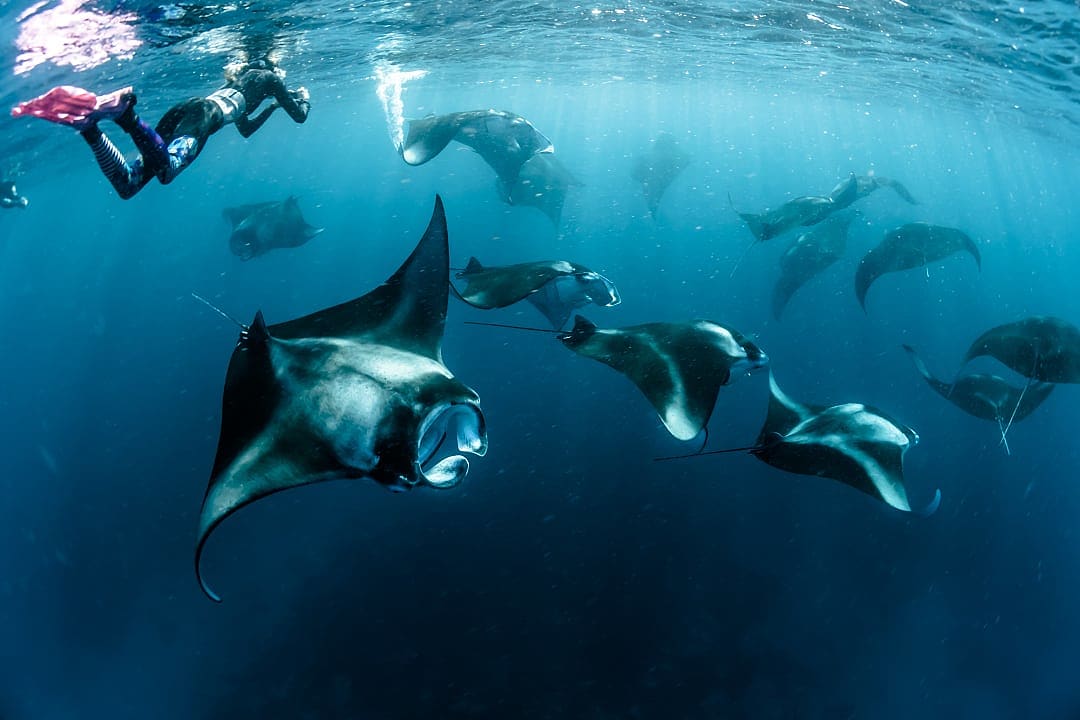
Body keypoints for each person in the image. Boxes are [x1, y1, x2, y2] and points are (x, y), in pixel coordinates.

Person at [10, 60, 310, 199]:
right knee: (166, 172)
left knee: (128, 187)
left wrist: (271, 108)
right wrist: (302, 100)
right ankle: (127, 117)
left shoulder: (241, 82)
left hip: (189, 107)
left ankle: (89, 128)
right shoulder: (271, 78)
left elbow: (244, 129)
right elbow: (300, 117)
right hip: (204, 118)